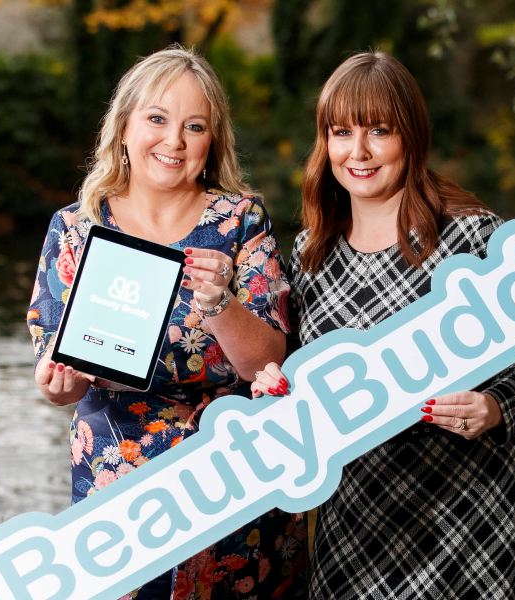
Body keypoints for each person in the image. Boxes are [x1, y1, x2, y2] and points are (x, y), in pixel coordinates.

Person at [251, 51, 515, 599]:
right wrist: (276, 389)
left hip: (471, 518)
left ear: (411, 137)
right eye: (342, 132)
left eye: (379, 130)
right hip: (360, 524)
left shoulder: (470, 239)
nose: (359, 152)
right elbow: (305, 382)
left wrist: (494, 408)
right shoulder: (309, 256)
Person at [27, 45, 308, 600]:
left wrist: (218, 304)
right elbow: (61, 379)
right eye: (157, 118)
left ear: (211, 142)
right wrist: (59, 383)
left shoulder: (239, 220)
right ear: (125, 127)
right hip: (123, 506)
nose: (174, 140)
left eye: (194, 126)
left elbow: (268, 366)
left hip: (236, 482)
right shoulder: (75, 229)